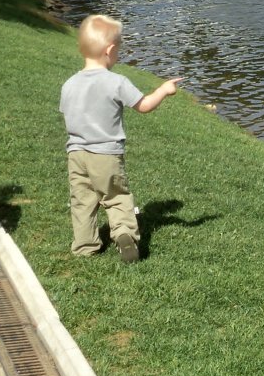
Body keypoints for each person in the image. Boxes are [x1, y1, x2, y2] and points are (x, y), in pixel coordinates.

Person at [59, 14, 182, 262]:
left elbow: (67, 115)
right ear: (110, 50)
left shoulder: (69, 84)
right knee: (116, 197)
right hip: (106, 154)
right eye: (119, 51)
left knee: (82, 201)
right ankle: (125, 234)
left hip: (76, 154)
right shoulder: (116, 82)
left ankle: (85, 245)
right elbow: (144, 106)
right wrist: (163, 90)